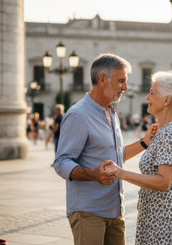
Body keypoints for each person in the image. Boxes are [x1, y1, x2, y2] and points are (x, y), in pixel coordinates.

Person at [52, 53, 158, 245]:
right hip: (88, 212)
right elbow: (61, 162)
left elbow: (114, 158)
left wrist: (144, 142)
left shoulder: (110, 111)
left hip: (115, 211)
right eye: (121, 81)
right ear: (102, 79)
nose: (125, 87)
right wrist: (94, 174)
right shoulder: (78, 115)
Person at [105, 71, 172, 244]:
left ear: (166, 101)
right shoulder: (167, 130)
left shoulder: (170, 133)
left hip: (165, 218)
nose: (147, 97)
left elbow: (163, 182)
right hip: (161, 213)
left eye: (152, 93)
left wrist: (121, 173)